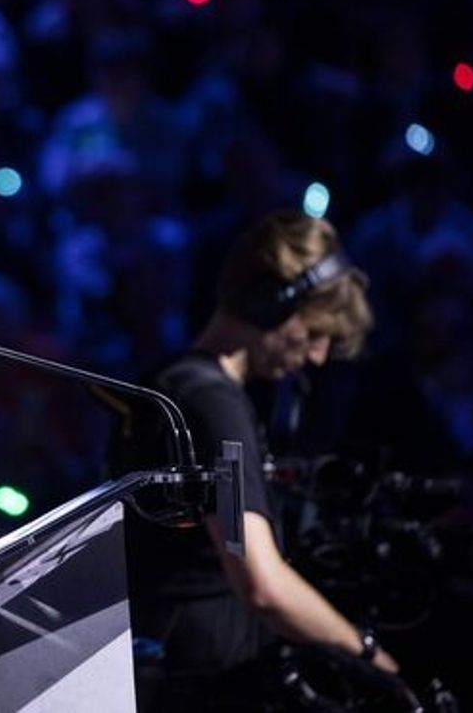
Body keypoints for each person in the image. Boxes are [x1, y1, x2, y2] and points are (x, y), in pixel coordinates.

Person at [107, 211, 397, 712]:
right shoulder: (212, 402)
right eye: (315, 332)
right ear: (271, 305)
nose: (318, 357)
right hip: (200, 688)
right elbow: (262, 584)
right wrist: (369, 658)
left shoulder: (174, 385)